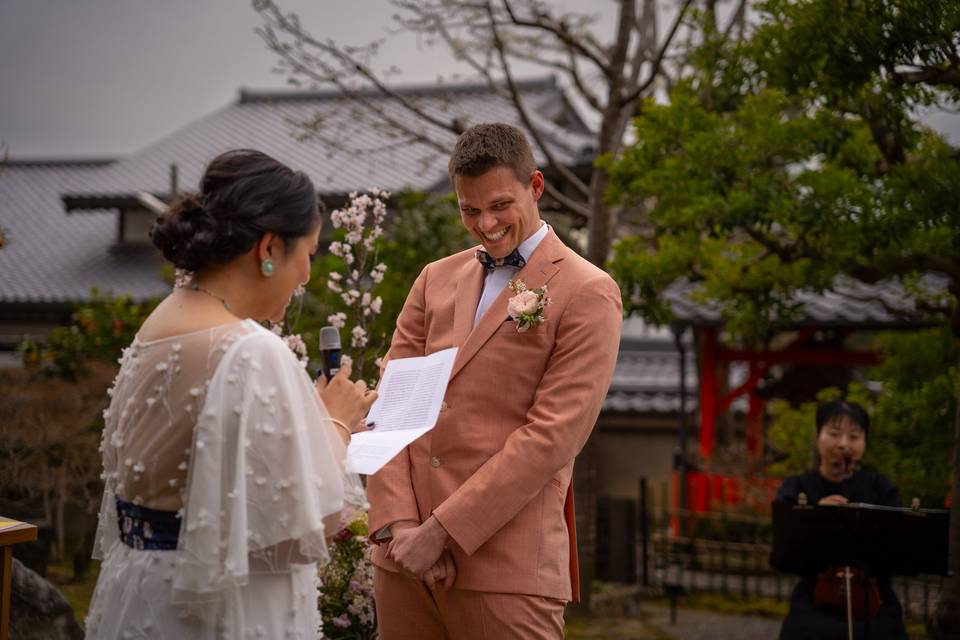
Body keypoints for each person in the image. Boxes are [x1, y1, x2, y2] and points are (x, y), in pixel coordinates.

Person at [84, 149, 376, 638]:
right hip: (216, 607)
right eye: (307, 253)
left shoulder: (158, 326)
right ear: (268, 249)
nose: (306, 275)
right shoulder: (251, 351)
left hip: (140, 590)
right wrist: (336, 421)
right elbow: (306, 522)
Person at [367, 123, 623, 639]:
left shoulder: (588, 291)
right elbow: (390, 409)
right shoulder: (434, 280)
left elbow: (551, 436)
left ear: (535, 186)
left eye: (499, 205)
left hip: (506, 566)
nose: (485, 223)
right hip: (403, 562)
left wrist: (441, 533)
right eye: (469, 210)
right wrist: (401, 528)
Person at [775, 401, 908, 640]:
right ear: (818, 437)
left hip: (874, 599)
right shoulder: (796, 488)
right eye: (834, 434)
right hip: (815, 598)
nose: (844, 445)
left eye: (854, 436)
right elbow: (784, 557)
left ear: (865, 442)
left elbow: (899, 554)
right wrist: (816, 517)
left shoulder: (881, 488)